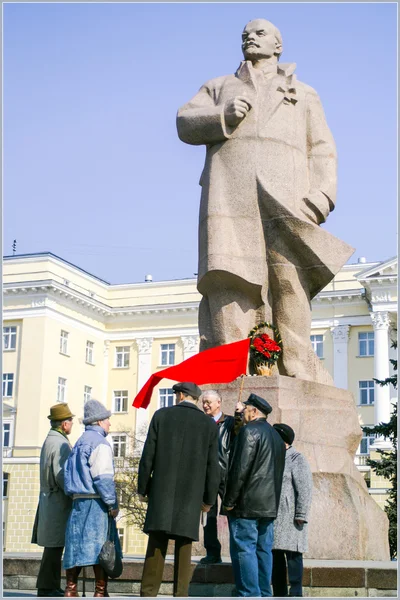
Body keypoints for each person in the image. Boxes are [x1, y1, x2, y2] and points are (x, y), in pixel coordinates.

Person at [177, 19, 353, 383]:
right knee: (229, 277)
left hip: (288, 197)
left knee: (289, 280)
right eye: (245, 33)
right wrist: (222, 116)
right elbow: (184, 121)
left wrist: (321, 196)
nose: (249, 37)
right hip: (229, 195)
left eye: (259, 33)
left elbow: (322, 149)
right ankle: (229, 368)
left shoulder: (303, 92)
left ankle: (297, 365)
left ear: (278, 45)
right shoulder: (220, 86)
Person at [138, 382, 220, 597]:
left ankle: (148, 593)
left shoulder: (161, 416)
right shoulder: (208, 424)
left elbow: (148, 456)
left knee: (156, 543)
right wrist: (208, 500)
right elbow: (213, 467)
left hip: (161, 491)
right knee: (184, 546)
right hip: (191, 495)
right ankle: (180, 593)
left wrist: (143, 488)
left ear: (181, 395)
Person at [223, 393, 285, 597]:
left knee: (244, 550)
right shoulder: (276, 435)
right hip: (269, 505)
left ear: (254, 411)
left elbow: (240, 469)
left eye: (246, 408)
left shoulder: (250, 431)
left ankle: (250, 594)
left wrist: (229, 501)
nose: (243, 411)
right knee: (263, 551)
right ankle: (264, 593)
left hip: (247, 505)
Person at [63, 399, 121, 597]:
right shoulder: (100, 444)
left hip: (77, 501)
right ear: (98, 421)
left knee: (75, 547)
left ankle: (70, 590)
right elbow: (103, 478)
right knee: (99, 547)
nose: (109, 424)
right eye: (107, 419)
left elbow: (66, 474)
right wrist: (112, 503)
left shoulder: (79, 442)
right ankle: (100, 591)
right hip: (95, 501)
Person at [31, 403, 74, 597]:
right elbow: (61, 474)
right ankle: (48, 587)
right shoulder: (60, 443)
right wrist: (74, 492)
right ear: (64, 424)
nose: (72, 424)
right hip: (58, 501)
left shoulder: (50, 440)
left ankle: (49, 585)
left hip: (49, 499)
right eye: (70, 421)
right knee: (55, 546)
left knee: (53, 545)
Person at [272, 423, 313, 598]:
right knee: (276, 558)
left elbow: (305, 488)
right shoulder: (273, 456)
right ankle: (279, 593)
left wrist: (301, 514)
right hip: (274, 517)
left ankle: (296, 593)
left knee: (294, 556)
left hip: (291, 517)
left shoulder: (297, 458)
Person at [199, 389, 235, 564]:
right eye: (203, 402)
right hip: (206, 475)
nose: (205, 405)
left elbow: (240, 431)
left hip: (226, 474)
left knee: (232, 512)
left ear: (219, 402)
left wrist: (240, 413)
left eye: (208, 402)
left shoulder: (230, 422)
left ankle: (236, 550)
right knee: (209, 514)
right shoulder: (200, 422)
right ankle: (212, 552)